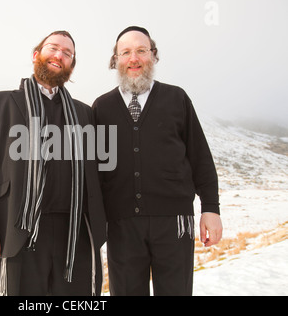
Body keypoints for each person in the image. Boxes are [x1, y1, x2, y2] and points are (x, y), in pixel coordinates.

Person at [0, 31, 106, 296]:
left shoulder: (84, 112)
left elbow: (98, 172)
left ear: (71, 65)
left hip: (75, 233)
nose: (59, 55)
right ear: (36, 55)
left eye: (67, 53)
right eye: (53, 48)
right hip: (19, 230)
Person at [92, 26, 223, 296]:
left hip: (174, 222)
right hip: (122, 224)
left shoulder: (177, 98)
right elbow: (95, 171)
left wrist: (211, 208)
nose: (134, 58)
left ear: (153, 55)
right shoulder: (101, 107)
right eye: (125, 52)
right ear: (115, 60)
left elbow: (200, 158)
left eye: (142, 50)